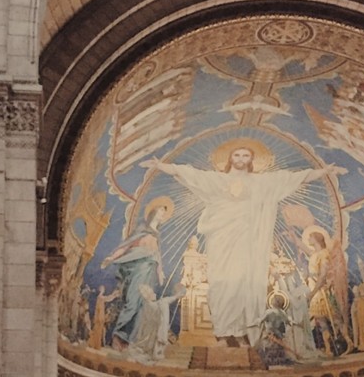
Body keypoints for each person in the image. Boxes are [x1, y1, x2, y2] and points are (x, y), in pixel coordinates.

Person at [142, 146, 344, 346]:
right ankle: (222, 332)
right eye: (236, 154)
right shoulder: (216, 180)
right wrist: (161, 166)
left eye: (245, 155)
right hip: (221, 240)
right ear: (230, 158)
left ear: (251, 159)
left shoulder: (261, 182)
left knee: (245, 283)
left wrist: (324, 172)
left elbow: (293, 178)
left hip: (248, 242)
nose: (240, 158)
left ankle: (241, 333)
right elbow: (189, 173)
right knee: (221, 283)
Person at [100, 197, 172, 351]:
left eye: (164, 212)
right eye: (160, 210)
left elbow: (157, 254)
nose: (162, 214)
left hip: (149, 270)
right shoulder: (141, 229)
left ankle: (129, 339)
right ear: (153, 212)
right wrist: (112, 257)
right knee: (132, 302)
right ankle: (118, 336)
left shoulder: (157, 235)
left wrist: (160, 272)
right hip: (137, 268)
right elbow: (126, 246)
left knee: (142, 305)